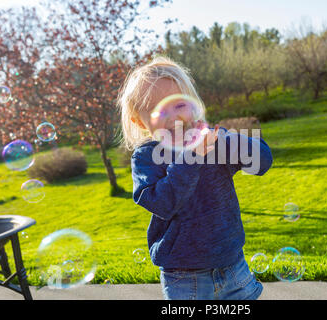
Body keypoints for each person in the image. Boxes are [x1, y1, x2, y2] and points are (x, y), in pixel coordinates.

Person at [117, 56, 273, 300]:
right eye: (158, 110)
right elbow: (162, 202)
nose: (172, 117)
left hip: (233, 265)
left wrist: (225, 140)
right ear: (139, 120)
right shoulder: (146, 156)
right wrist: (191, 157)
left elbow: (263, 162)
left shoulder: (212, 142)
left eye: (178, 105)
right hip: (184, 275)